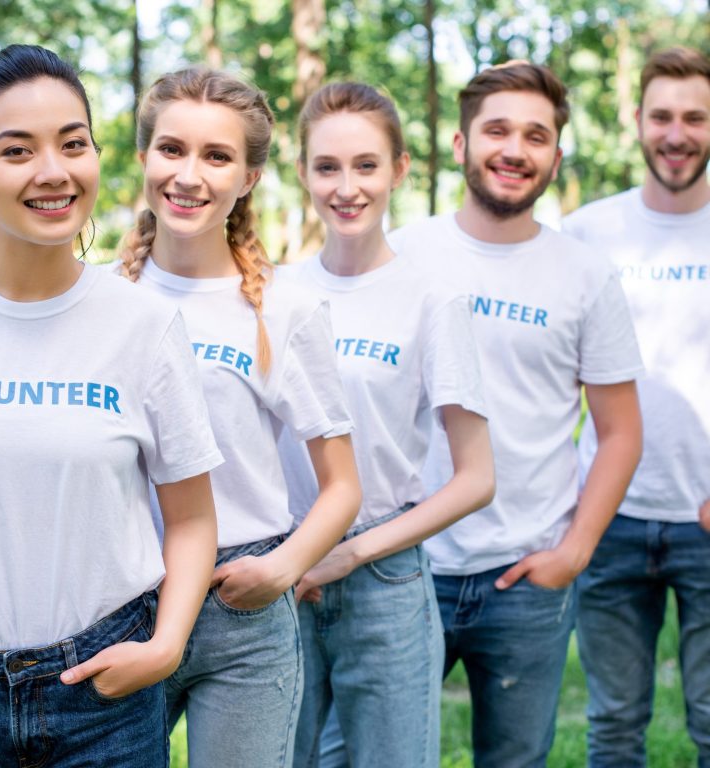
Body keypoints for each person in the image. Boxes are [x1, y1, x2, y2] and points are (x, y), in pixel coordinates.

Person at [0, 45, 221, 767]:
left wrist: (164, 647)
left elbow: (191, 517)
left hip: (106, 696)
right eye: (17, 150)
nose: (53, 171)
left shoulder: (144, 325)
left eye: (73, 144)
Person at [390, 61, 644, 767]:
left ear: (556, 158)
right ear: (461, 141)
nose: (515, 149)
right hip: (406, 569)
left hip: (525, 579)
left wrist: (575, 552)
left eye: (536, 136)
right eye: (497, 129)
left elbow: (620, 430)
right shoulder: (404, 254)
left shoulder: (585, 275)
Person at [118, 67, 361, 768]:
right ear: (142, 158)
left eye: (216, 156)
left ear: (249, 177)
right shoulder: (104, 301)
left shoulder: (284, 311)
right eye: (171, 150)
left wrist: (282, 568)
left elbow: (342, 485)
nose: (188, 175)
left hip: (241, 607)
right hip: (125, 594)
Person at [277, 81, 495, 768]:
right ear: (304, 172)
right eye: (328, 167)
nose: (347, 187)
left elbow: (476, 480)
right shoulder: (272, 293)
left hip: (384, 576)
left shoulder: (434, 300)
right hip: (279, 574)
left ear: (400, 169)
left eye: (366, 165)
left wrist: (351, 553)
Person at [563, 47, 710, 768]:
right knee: (615, 724)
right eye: (662, 116)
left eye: (694, 117)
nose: (677, 134)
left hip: (707, 519)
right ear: (636, 121)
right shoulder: (589, 232)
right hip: (610, 517)